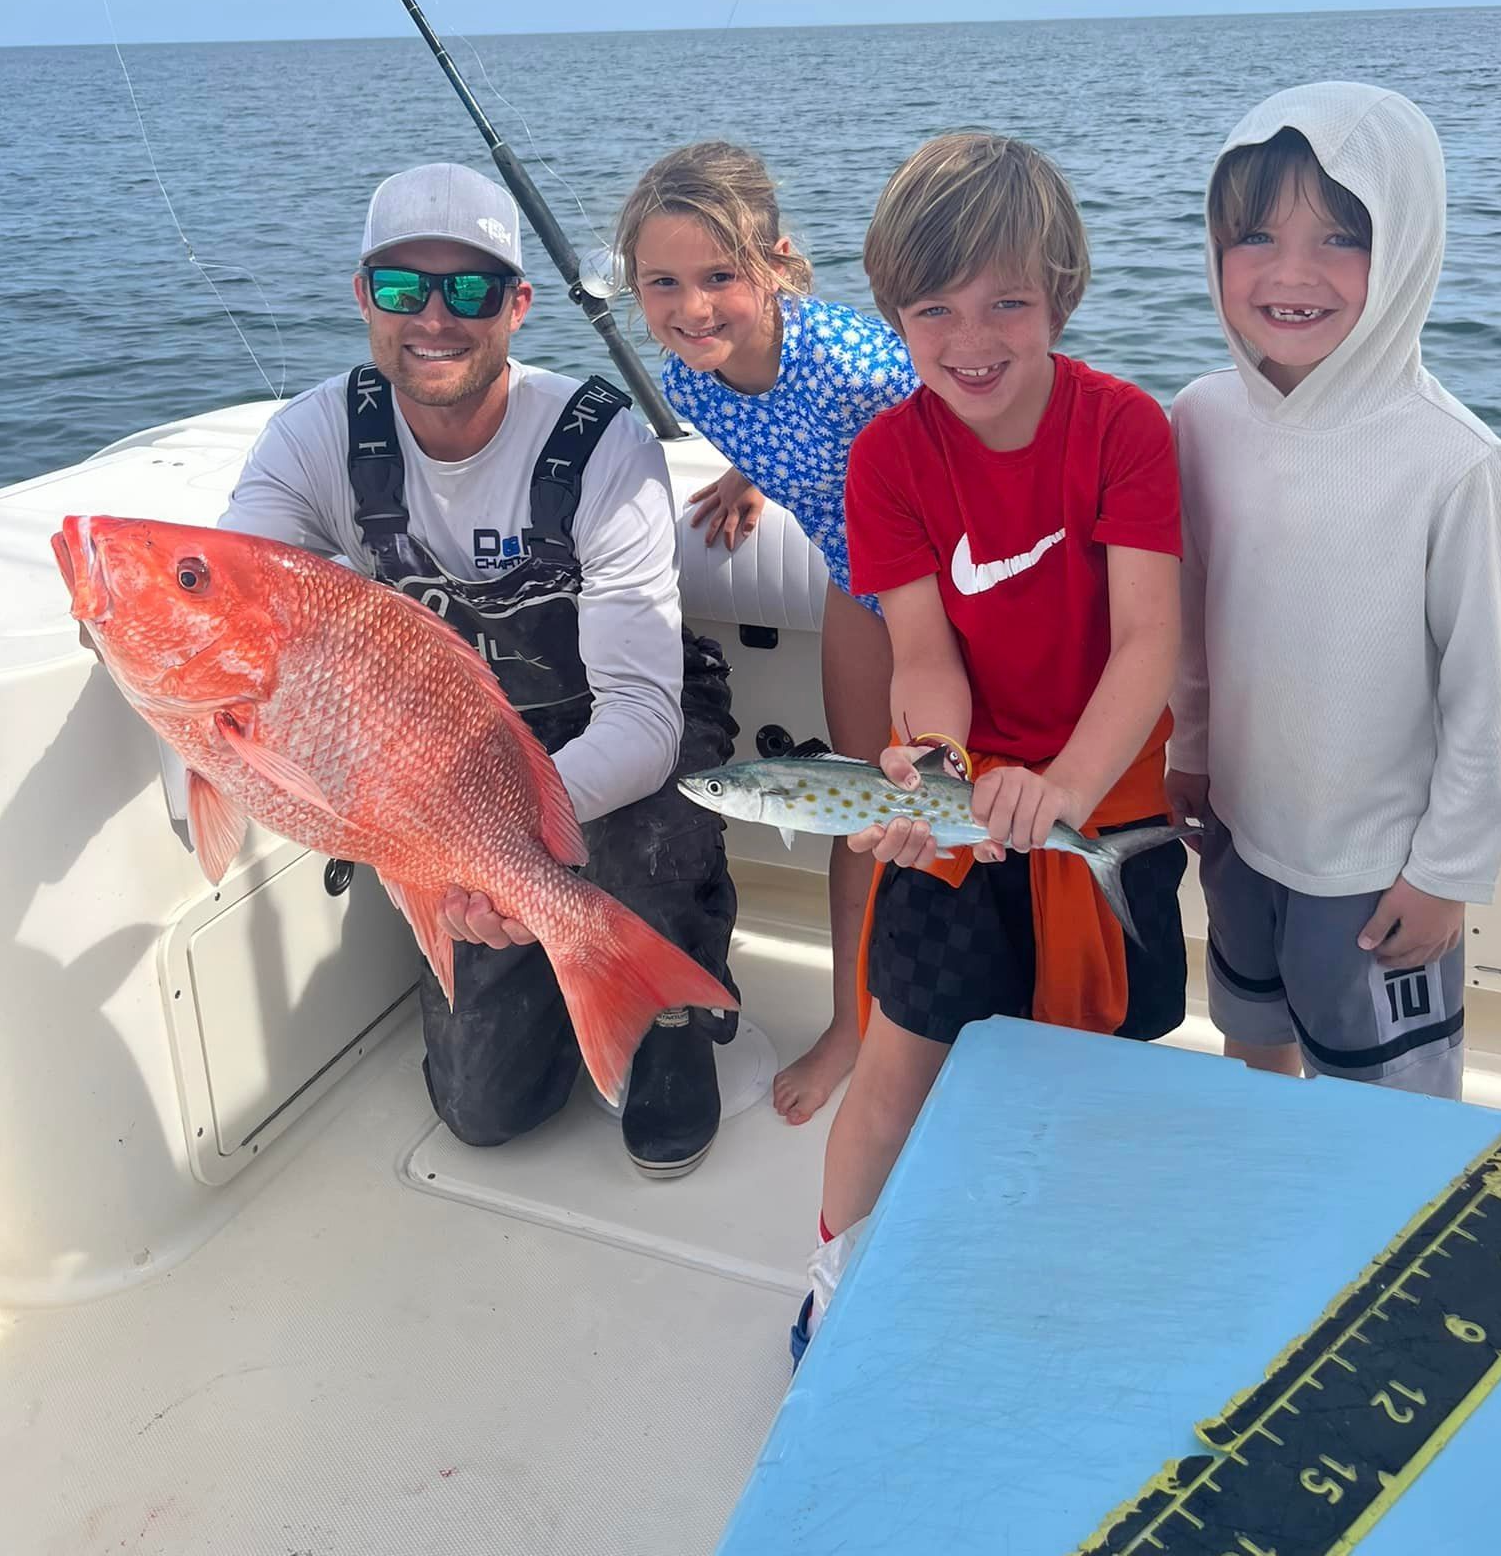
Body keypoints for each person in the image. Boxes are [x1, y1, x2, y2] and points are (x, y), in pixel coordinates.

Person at [221, 161, 739, 1176]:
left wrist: (510, 846)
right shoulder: (312, 438)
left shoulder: (599, 441)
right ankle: (553, 961)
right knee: (486, 1111)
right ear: (363, 295)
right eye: (403, 286)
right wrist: (472, 861)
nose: (435, 317)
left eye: (470, 289)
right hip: (448, 760)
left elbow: (640, 713)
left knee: (648, 831)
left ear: (519, 304)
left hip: (607, 738)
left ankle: (670, 1004)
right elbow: (231, 611)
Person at [796, 129, 1188, 1360]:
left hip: (1103, 806)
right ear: (892, 316)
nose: (973, 339)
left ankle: (1071, 1287)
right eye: (935, 309)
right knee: (900, 1062)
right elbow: (923, 652)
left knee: (1100, 1078)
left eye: (1007, 302)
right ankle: (836, 1286)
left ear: (1060, 293)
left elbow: (1149, 644)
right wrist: (937, 766)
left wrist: (1062, 787)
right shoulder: (888, 458)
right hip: (961, 812)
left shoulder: (1126, 430)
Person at [1166, 83, 1501, 1099]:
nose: (1291, 274)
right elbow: (1193, 627)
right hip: (1238, 828)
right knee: (1253, 1044)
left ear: (1407, 241)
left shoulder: (1456, 462)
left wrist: (1448, 872)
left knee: (1390, 1109)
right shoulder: (1199, 417)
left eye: (1340, 236)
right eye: (1255, 236)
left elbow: (1492, 698)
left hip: (1378, 866)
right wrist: (1189, 753)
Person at [614, 142, 919, 1125]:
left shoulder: (859, 364)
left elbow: (957, 452)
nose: (691, 307)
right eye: (662, 282)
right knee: (858, 802)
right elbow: (783, 424)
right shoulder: (693, 382)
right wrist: (755, 476)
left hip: (945, 578)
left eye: (719, 277)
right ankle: (853, 1019)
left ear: (778, 265)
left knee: (958, 794)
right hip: (853, 573)